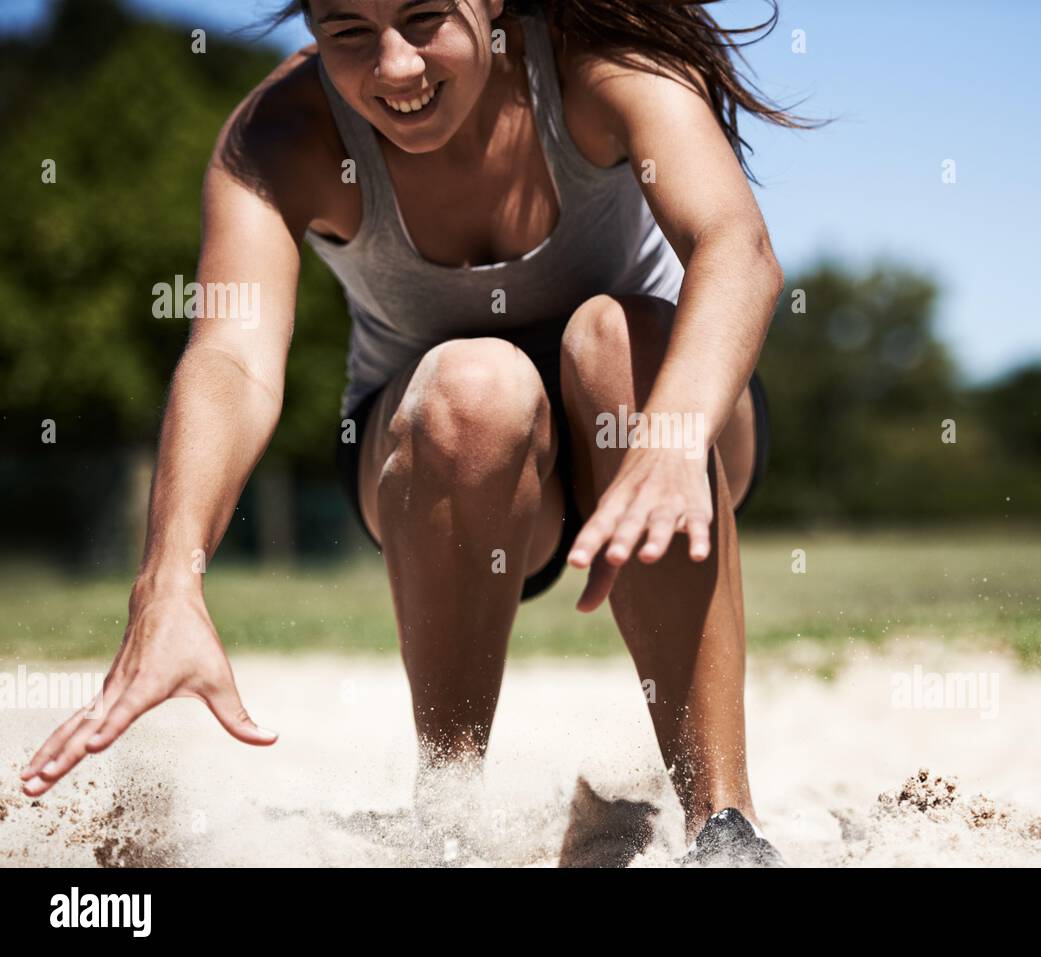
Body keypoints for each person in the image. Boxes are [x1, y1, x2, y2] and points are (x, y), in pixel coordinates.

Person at [21, 0, 815, 867]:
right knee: (473, 386)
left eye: (426, 17)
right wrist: (169, 580)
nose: (395, 68)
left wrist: (667, 443)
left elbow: (735, 246)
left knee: (614, 342)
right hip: (441, 449)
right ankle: (450, 816)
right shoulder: (281, 133)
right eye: (349, 33)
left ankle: (724, 827)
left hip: (658, 417)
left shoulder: (602, 64)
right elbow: (231, 359)